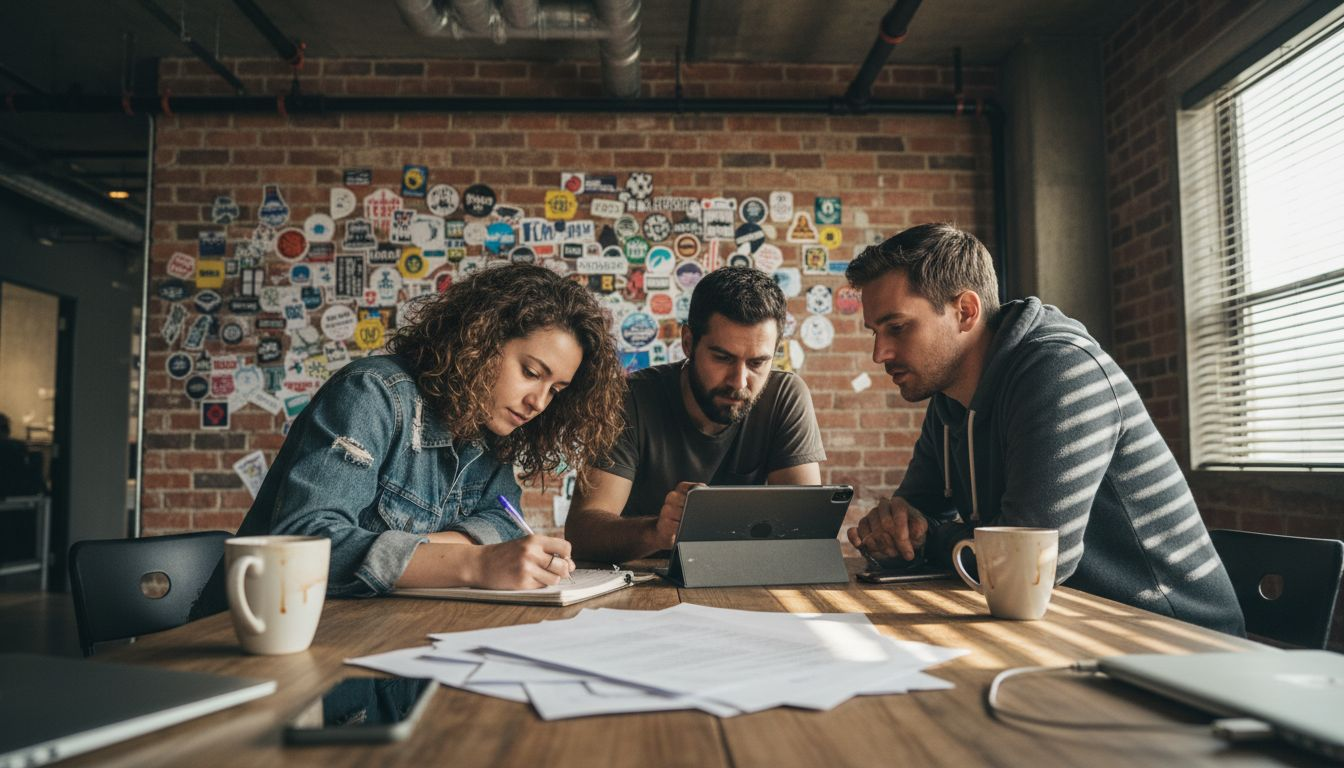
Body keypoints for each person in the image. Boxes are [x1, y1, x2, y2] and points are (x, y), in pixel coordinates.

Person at [845, 223, 1244, 635]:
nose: (880, 354)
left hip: (1172, 637)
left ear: (965, 311)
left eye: (897, 327)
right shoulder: (949, 399)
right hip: (1066, 627)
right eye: (875, 333)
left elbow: (1034, 561)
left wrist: (931, 540)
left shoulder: (1061, 370)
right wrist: (897, 532)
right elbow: (910, 524)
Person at [234, 264, 626, 595]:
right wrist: (473, 563)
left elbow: (504, 519)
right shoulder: (372, 394)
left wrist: (426, 552)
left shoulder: (485, 427)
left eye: (555, 391)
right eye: (530, 373)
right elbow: (305, 545)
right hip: (261, 634)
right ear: (481, 340)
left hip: (376, 633)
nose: (539, 402)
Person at [566, 267, 826, 562]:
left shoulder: (784, 397)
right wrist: (656, 531)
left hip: (744, 578)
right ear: (688, 342)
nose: (739, 382)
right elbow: (582, 532)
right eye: (722, 358)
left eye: (757, 363)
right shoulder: (629, 399)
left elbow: (805, 532)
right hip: (645, 586)